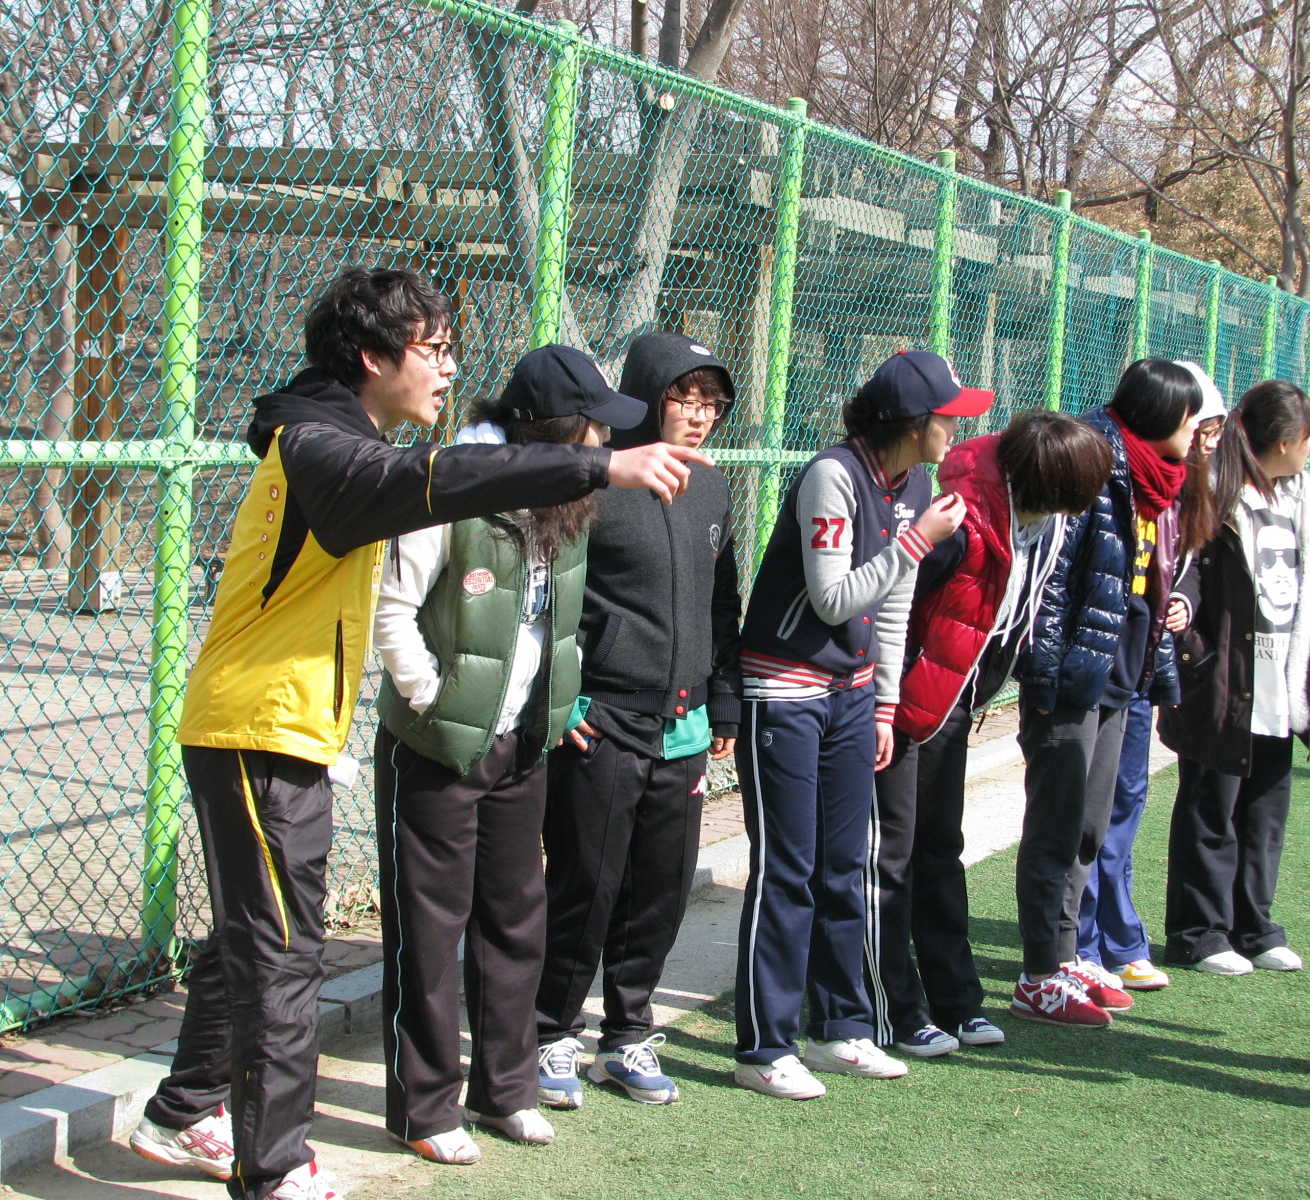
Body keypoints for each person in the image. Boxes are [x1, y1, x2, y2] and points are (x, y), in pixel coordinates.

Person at [126, 268, 709, 1200]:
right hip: (256, 729)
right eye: (433, 350)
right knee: (285, 952)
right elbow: (434, 483)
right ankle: (272, 1168)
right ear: (372, 357)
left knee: (254, 937)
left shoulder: (339, 435)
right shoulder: (321, 447)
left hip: (287, 728)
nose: (449, 369)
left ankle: (184, 1108)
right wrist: (599, 466)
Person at [372, 345, 646, 1165]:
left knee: (516, 921)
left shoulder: (564, 502)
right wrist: (436, 701)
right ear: (554, 432)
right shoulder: (451, 490)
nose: (605, 444)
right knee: (429, 934)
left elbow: (557, 624)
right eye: (595, 428)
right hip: (438, 747)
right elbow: (391, 610)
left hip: (523, 743)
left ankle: (506, 1092)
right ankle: (426, 1110)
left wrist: (552, 707)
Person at [731, 351, 984, 1099]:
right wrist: (916, 540)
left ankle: (842, 1028)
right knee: (788, 869)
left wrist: (883, 703)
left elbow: (894, 603)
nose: (957, 429)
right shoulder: (831, 475)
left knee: (844, 865)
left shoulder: (916, 487)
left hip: (851, 696)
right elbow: (834, 598)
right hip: (784, 692)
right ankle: (764, 1047)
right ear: (911, 422)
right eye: (948, 417)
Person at [535, 333, 742, 1109]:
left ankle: (626, 1036)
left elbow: (723, 603)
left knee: (661, 887)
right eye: (684, 397)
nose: (700, 415)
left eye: (712, 402)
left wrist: (724, 698)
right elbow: (550, 601)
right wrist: (564, 699)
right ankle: (550, 1032)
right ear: (648, 396)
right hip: (603, 718)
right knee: (587, 883)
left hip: (684, 722)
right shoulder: (596, 479)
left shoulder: (713, 488)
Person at [869, 409, 1112, 1056]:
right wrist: (885, 699)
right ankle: (892, 1006)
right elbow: (890, 608)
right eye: (1083, 485)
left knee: (939, 844)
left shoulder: (1044, 524)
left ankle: (956, 1001)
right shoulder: (960, 520)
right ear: (1049, 481)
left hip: (950, 699)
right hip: (895, 700)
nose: (1090, 500)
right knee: (893, 853)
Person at [1009, 358, 1200, 1028]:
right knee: (1057, 824)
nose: (1198, 430)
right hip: (1073, 679)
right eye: (1192, 417)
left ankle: (1068, 956)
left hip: (1122, 674)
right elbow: (1052, 581)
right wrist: (1046, 676)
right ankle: (1039, 973)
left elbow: (1152, 579)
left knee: (1091, 826)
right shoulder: (1094, 458)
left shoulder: (1160, 475)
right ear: (1162, 414)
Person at [1158, 380, 1310, 978]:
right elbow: (1187, 568)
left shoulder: (1300, 494)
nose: (1309, 450)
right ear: (1283, 441)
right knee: (1212, 808)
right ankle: (1198, 933)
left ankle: (1255, 925)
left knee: (1264, 812)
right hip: (1224, 682)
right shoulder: (1215, 490)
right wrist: (1193, 638)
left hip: (1281, 682)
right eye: (1307, 439)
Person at [1076, 361, 1225, 992]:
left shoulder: (1180, 479)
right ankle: (1078, 943)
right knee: (1083, 809)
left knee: (1126, 799)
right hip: (1090, 666)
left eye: (1213, 428)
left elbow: (1183, 564)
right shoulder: (1099, 461)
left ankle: (1120, 937)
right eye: (1200, 425)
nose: (1206, 440)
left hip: (1140, 663)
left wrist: (1180, 600)